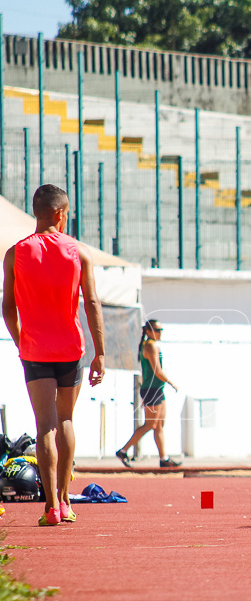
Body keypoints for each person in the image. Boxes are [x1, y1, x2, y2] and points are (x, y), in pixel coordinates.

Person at [2, 184, 105, 526]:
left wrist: (21, 340)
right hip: (70, 348)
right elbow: (91, 303)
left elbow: (7, 306)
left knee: (43, 425)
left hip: (35, 349)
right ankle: (65, 501)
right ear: (61, 214)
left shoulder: (15, 253)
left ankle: (50, 509)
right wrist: (100, 353)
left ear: (36, 211)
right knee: (65, 421)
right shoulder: (79, 251)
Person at [115, 320, 181, 468]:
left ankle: (164, 458)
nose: (160, 333)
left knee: (158, 425)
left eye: (161, 330)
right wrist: (171, 382)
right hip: (152, 389)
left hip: (157, 388)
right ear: (149, 331)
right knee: (150, 424)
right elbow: (157, 370)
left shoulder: (152, 345)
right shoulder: (150, 345)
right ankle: (123, 450)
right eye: (157, 330)